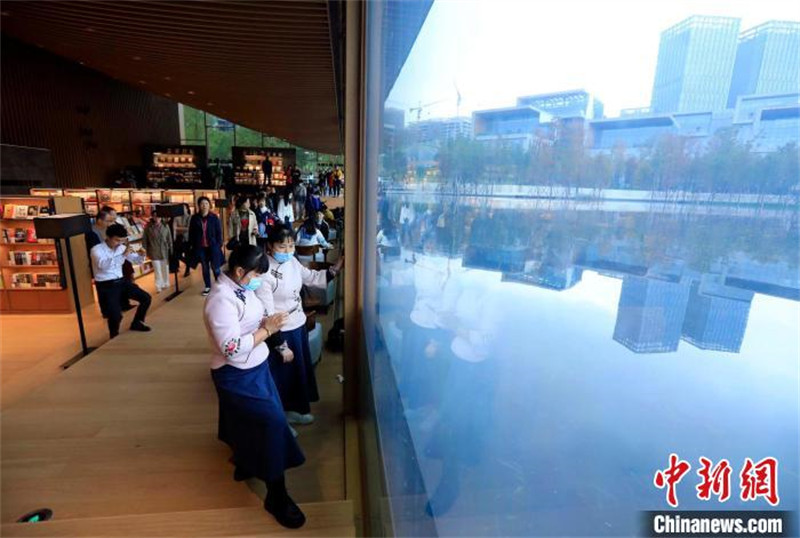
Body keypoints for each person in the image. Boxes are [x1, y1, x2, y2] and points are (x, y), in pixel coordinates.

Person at [204, 245, 307, 529]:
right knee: (273, 424)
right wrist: (268, 330)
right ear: (239, 271)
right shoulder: (220, 300)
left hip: (257, 366)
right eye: (257, 275)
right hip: (236, 372)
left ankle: (248, 461)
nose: (259, 280)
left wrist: (268, 323)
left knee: (248, 423)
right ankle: (276, 494)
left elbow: (251, 320)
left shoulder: (242, 288)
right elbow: (231, 348)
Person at [255, 225, 343, 425]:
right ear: (270, 246)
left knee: (297, 372)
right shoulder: (264, 272)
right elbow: (267, 315)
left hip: (297, 323)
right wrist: (280, 345)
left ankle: (294, 411)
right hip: (280, 332)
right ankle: (280, 418)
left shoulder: (292, 262)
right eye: (282, 246)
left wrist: (335, 270)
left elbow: (311, 278)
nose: (287, 250)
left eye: (291, 245)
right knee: (283, 376)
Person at [91, 223, 152, 338]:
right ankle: (113, 336)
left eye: (121, 241)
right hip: (106, 285)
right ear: (108, 237)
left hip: (122, 282)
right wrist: (123, 255)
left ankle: (137, 322)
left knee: (146, 298)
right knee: (115, 315)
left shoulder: (121, 248)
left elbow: (136, 261)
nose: (119, 243)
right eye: (117, 240)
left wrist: (142, 255)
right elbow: (103, 266)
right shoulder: (96, 250)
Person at [189, 196, 224, 296]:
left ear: (209, 205)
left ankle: (219, 286)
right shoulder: (194, 218)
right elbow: (191, 233)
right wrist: (193, 245)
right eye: (202, 204)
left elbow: (219, 232)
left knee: (216, 268)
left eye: (206, 204)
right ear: (199, 206)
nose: (204, 206)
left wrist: (219, 244)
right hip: (201, 248)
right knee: (205, 268)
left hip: (213, 247)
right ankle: (208, 286)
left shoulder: (214, 218)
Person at [143, 214, 173, 293]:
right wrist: (144, 251)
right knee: (157, 270)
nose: (157, 218)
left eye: (158, 216)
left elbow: (169, 239)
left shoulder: (165, 226)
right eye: (155, 216)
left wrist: (171, 249)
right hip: (153, 251)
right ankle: (158, 286)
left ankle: (166, 283)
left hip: (164, 251)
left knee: (165, 268)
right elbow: (145, 240)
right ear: (152, 217)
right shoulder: (148, 228)